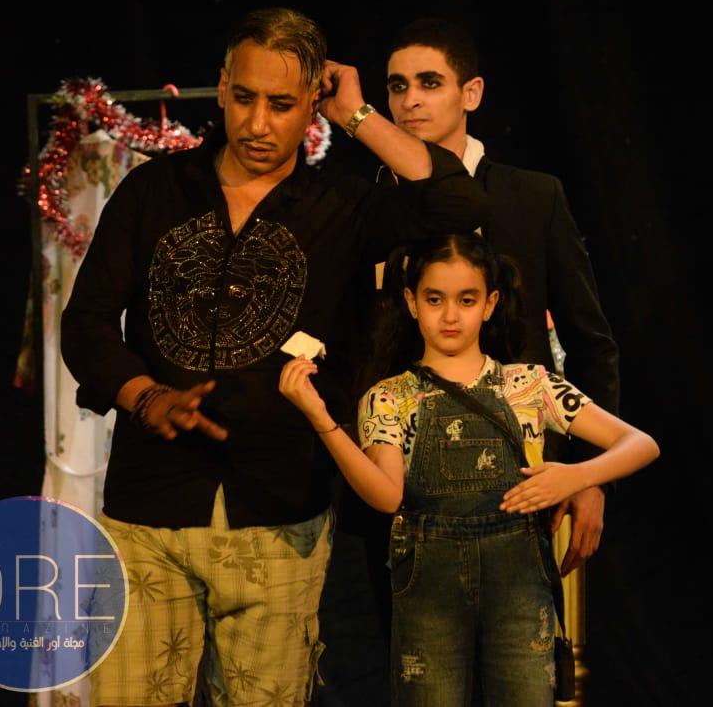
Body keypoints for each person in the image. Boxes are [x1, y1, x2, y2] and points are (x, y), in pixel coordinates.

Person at [61, 7, 488, 707]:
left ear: (313, 102)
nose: (258, 124)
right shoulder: (154, 191)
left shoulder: (342, 206)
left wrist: (356, 115)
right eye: (244, 98)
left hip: (279, 515)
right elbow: (86, 324)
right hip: (148, 511)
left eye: (283, 104)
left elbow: (455, 200)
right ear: (222, 86)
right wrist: (144, 395)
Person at [279, 232, 658, 705]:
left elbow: (641, 444)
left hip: (519, 591)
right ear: (411, 302)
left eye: (467, 299)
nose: (450, 315)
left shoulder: (529, 385)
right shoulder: (390, 397)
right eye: (434, 299)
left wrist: (576, 476)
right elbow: (386, 496)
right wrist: (320, 419)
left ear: (490, 303)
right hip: (429, 592)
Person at [383, 19, 619, 572]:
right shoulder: (366, 202)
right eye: (397, 86)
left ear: (471, 93)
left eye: (429, 83)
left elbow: (589, 341)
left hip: (525, 476)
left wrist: (591, 475)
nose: (411, 100)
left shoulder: (532, 197)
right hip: (399, 482)